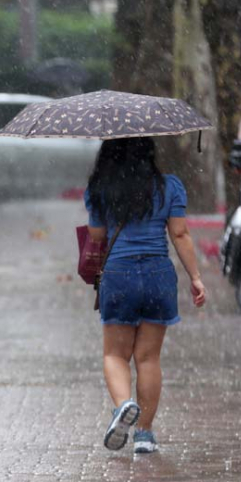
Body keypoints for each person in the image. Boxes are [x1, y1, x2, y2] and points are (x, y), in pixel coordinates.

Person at [84, 138, 206, 454]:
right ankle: (144, 435)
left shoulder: (99, 187)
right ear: (150, 151)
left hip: (119, 274)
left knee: (114, 355)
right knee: (148, 357)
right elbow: (179, 234)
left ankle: (124, 405)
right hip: (157, 274)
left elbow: (97, 237)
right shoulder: (169, 187)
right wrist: (195, 277)